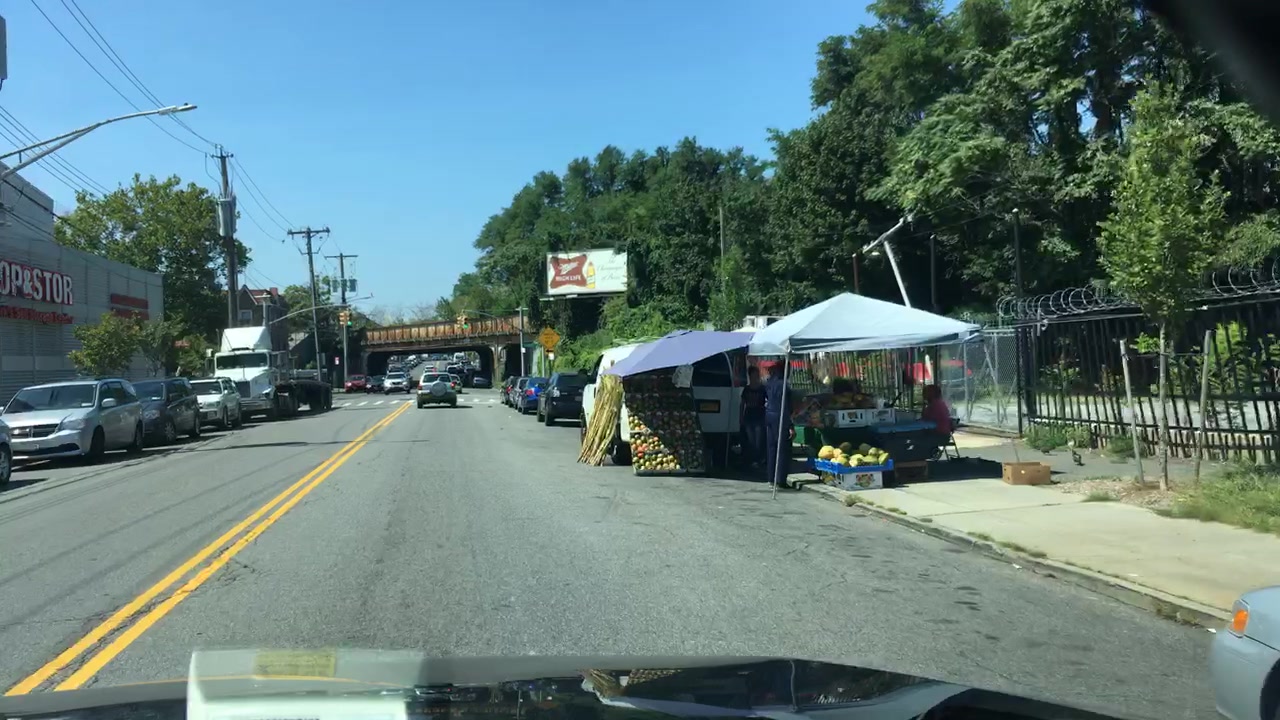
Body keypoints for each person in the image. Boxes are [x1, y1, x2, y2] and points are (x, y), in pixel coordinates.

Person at [763, 361, 795, 486]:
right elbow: (786, 407)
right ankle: (780, 479)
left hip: (769, 415)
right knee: (782, 448)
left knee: (772, 447)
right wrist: (790, 425)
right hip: (780, 416)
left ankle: (771, 477)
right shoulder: (784, 386)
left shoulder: (770, 383)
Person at [739, 366, 767, 468]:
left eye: (756, 375)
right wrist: (741, 417)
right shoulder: (746, 389)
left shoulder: (762, 389)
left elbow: (768, 401)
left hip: (759, 415)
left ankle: (758, 459)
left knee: (758, 440)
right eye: (753, 375)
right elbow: (742, 404)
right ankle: (753, 460)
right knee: (751, 440)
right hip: (749, 415)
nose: (755, 377)